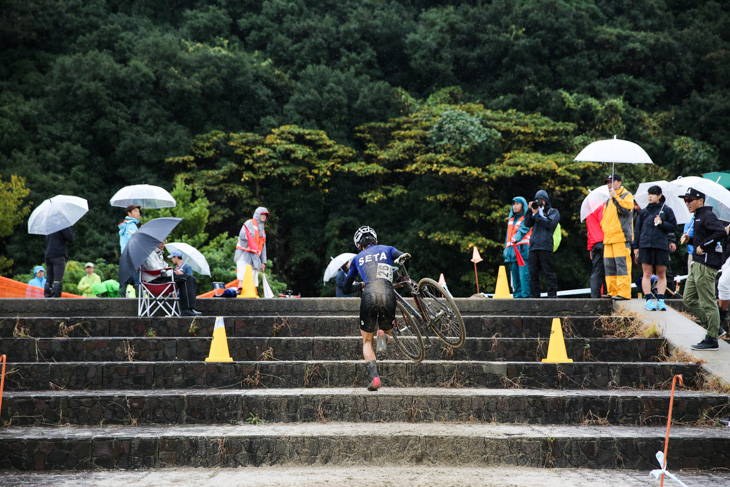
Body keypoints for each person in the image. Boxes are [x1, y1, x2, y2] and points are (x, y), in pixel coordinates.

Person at [342, 226, 406, 391]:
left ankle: (375, 378)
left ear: (359, 244)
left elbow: (346, 288)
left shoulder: (357, 259)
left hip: (369, 294)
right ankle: (383, 333)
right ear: (375, 240)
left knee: (366, 341)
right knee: (387, 332)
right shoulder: (387, 249)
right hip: (387, 291)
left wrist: (361, 284)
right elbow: (403, 258)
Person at [681, 188, 727, 350]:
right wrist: (690, 239)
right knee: (688, 299)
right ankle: (715, 327)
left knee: (708, 302)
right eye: (685, 200)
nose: (687, 203)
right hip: (697, 263)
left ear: (700, 200)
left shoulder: (707, 215)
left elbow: (720, 232)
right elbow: (702, 238)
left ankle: (712, 338)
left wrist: (703, 245)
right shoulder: (697, 217)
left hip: (706, 265)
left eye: (690, 200)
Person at [632, 186, 677, 311]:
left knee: (661, 273)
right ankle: (648, 300)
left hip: (661, 246)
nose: (650, 196)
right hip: (645, 245)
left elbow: (673, 227)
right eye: (649, 194)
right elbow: (637, 230)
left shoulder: (667, 210)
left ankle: (661, 300)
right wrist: (636, 247)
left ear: (659, 195)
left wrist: (662, 223)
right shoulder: (643, 212)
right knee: (646, 273)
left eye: (653, 194)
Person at [142, 241, 201, 316]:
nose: (163, 243)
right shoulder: (148, 254)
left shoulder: (158, 254)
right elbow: (155, 269)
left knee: (191, 278)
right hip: (155, 281)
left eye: (164, 241)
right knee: (187, 278)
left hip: (161, 277)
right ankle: (186, 309)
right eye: (161, 242)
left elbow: (164, 268)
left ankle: (190, 309)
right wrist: (173, 273)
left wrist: (174, 271)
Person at [600, 174, 634, 300]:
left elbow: (626, 210)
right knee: (609, 267)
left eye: (611, 182)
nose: (609, 184)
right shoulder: (608, 198)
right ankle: (612, 291)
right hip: (608, 238)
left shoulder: (627, 195)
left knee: (622, 267)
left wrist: (616, 197)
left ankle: (623, 292)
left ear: (619, 182)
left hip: (620, 237)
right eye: (608, 182)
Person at [523, 190, 560, 298]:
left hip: (546, 246)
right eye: (537, 201)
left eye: (541, 201)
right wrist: (530, 211)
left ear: (546, 201)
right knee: (533, 273)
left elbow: (549, 223)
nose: (539, 203)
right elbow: (527, 223)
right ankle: (534, 296)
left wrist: (537, 215)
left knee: (548, 272)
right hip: (534, 246)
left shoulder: (553, 212)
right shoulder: (534, 212)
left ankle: (552, 296)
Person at [234, 207, 269, 292]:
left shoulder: (263, 231)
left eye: (265, 215)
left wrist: (263, 262)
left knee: (253, 276)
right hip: (244, 253)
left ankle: (251, 292)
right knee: (243, 273)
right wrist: (249, 239)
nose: (264, 217)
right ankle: (240, 289)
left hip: (255, 256)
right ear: (258, 215)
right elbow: (242, 235)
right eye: (262, 215)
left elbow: (263, 247)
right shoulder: (250, 223)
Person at [503, 196, 531, 298]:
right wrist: (506, 251)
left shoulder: (526, 218)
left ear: (523, 206)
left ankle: (525, 299)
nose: (515, 206)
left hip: (522, 252)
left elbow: (522, 230)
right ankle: (517, 299)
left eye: (517, 204)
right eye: (514, 204)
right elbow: (507, 238)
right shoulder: (511, 220)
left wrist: (516, 238)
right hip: (512, 253)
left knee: (524, 277)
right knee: (515, 279)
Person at [44, 227, 74, 298]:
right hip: (58, 254)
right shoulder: (62, 224)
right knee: (58, 278)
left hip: (48, 254)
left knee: (49, 278)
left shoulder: (49, 225)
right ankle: (56, 297)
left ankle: (47, 295)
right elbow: (70, 237)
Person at [119, 205, 141, 293]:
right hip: (132, 254)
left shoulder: (125, 224)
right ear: (129, 213)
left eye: (138, 211)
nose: (138, 213)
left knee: (125, 279)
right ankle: (140, 302)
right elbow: (134, 240)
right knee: (137, 280)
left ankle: (121, 301)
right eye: (135, 211)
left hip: (125, 254)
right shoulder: (131, 225)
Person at [586, 205, 606, 298]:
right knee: (608, 269)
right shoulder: (601, 207)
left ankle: (594, 297)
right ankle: (606, 294)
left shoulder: (589, 211)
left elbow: (589, 231)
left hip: (594, 244)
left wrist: (590, 248)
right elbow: (604, 224)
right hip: (604, 241)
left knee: (596, 271)